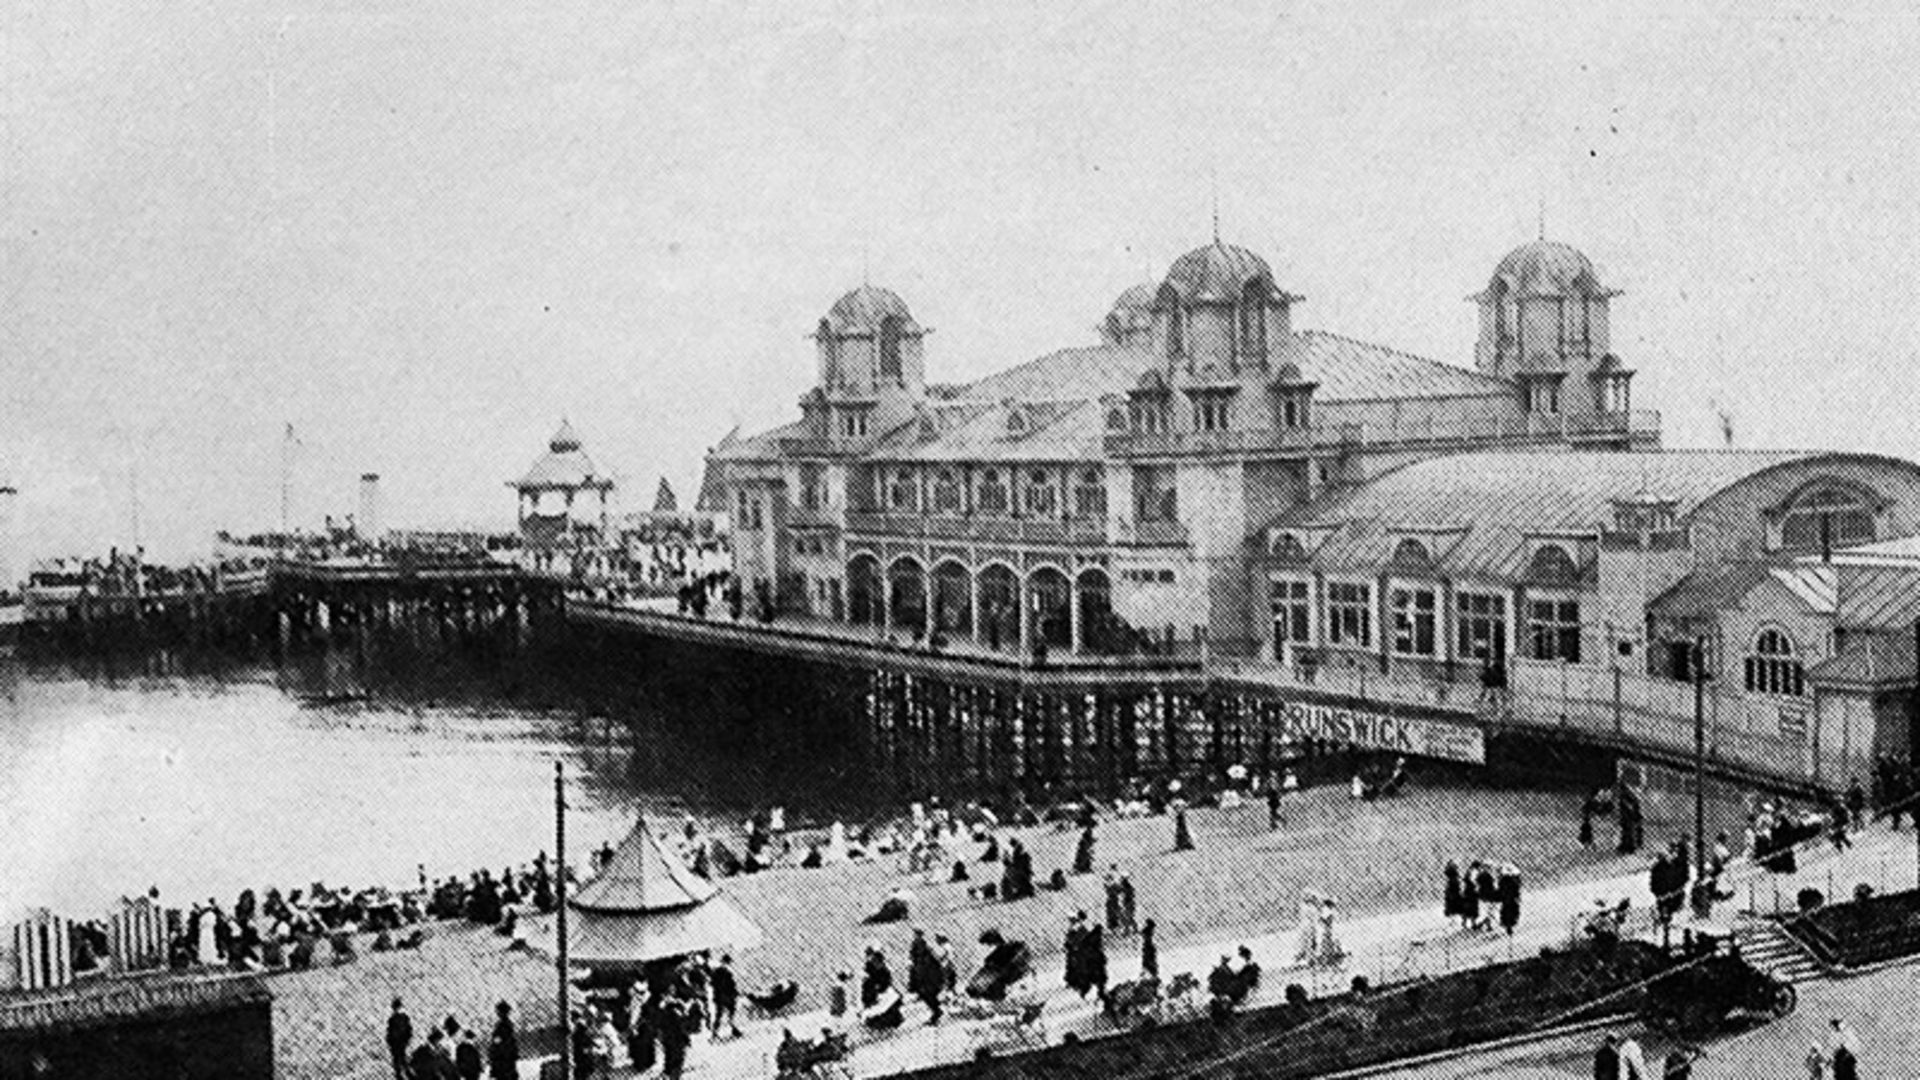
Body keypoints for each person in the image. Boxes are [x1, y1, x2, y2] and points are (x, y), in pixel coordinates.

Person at [908, 929, 944, 1024]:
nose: (916, 937)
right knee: (925, 994)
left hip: (928, 977)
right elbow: (912, 959)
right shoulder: (917, 947)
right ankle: (936, 1011)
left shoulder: (926, 948)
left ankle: (936, 1012)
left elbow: (936, 962)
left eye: (917, 935)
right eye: (915, 935)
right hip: (922, 976)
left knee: (928, 994)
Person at [711, 954, 741, 1038]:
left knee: (723, 1014)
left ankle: (716, 1033)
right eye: (728, 962)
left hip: (722, 996)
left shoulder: (719, 972)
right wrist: (733, 993)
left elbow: (714, 984)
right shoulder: (723, 972)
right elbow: (729, 985)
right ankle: (731, 1030)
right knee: (727, 1014)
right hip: (724, 997)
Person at [487, 1001, 519, 1080]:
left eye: (498, 1011)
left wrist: (492, 1054)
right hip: (508, 1060)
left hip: (502, 1061)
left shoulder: (501, 1026)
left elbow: (497, 1042)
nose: (497, 1013)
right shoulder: (509, 1025)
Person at [386, 997, 414, 1080]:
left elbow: (390, 1032)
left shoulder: (393, 1019)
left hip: (397, 1043)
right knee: (402, 1059)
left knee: (398, 1060)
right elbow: (409, 1031)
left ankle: (401, 1075)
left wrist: (390, 1041)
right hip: (401, 1042)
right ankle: (407, 1074)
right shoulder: (404, 1017)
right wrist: (407, 1040)